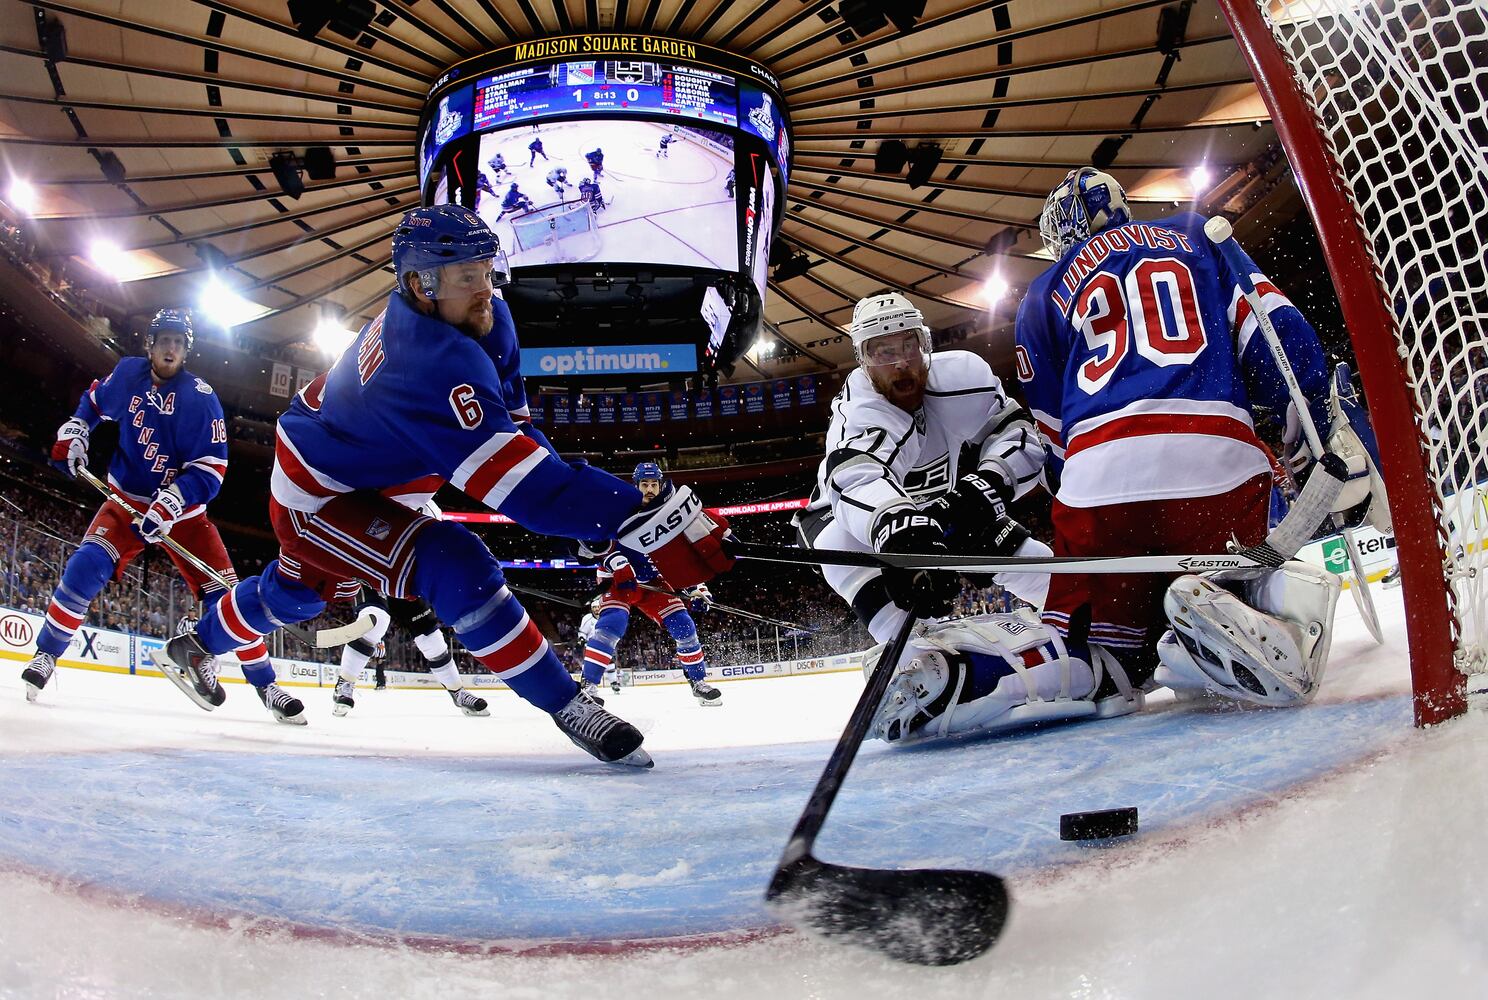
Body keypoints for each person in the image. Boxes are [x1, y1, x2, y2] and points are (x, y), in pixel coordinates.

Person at [152, 206, 732, 766]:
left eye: (485, 269)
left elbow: (520, 437)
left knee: (298, 594)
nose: (485, 287)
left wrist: (613, 520)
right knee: (455, 561)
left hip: (368, 466)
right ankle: (569, 704)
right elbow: (531, 492)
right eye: (466, 277)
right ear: (421, 284)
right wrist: (637, 515)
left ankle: (195, 643)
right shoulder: (426, 365)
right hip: (323, 491)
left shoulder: (481, 315)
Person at [982, 165, 1363, 720]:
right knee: (1256, 546)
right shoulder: (1196, 233)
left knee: (1104, 654)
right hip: (1213, 462)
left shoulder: (1041, 293)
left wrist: (1089, 498)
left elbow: (1052, 428)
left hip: (1098, 491)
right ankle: (1237, 602)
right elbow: (1274, 331)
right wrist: (1304, 416)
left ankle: (1111, 659)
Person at [21, 309, 304, 723]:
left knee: (227, 600)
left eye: (178, 342)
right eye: (164, 340)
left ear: (186, 350)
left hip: (185, 518)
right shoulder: (127, 374)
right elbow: (94, 404)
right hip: (125, 503)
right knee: (85, 566)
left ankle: (267, 686)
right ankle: (46, 654)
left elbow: (211, 470)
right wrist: (77, 429)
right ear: (149, 345)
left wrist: (172, 503)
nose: (171, 348)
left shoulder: (201, 398)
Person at [795, 291, 1054, 646]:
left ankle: (1102, 626)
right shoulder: (859, 411)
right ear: (863, 359)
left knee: (1045, 575)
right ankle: (910, 656)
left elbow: (1019, 435)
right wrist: (899, 530)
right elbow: (855, 476)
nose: (900, 362)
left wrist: (986, 485)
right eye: (883, 351)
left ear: (925, 344)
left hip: (933, 507)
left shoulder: (964, 376)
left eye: (908, 344)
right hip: (844, 521)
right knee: (905, 637)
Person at [579, 463, 722, 707]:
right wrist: (617, 562)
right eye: (644, 485)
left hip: (653, 582)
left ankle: (698, 682)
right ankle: (588, 686)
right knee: (611, 625)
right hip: (618, 580)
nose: (650, 489)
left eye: (654, 484)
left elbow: (685, 558)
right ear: (635, 486)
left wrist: (698, 590)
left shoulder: (670, 513)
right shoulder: (621, 509)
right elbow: (594, 545)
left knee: (684, 627)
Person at [331, 580, 489, 718]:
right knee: (374, 620)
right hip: (372, 572)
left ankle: (457, 692)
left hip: (403, 578)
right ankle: (344, 684)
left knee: (432, 639)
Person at [576, 596, 620, 694]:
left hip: (605, 644)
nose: (596, 609)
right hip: (590, 645)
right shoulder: (587, 618)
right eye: (594, 607)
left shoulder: (606, 617)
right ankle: (584, 683)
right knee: (588, 664)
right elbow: (582, 632)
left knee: (610, 664)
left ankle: (613, 683)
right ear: (591, 609)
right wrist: (582, 638)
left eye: (597, 607)